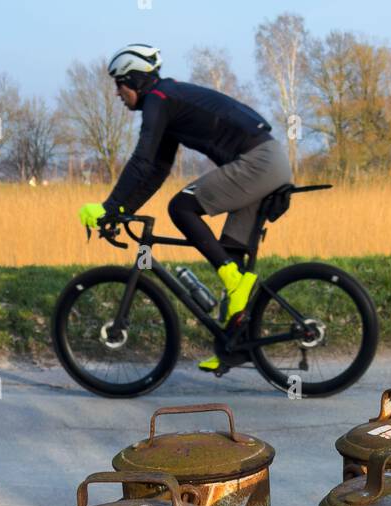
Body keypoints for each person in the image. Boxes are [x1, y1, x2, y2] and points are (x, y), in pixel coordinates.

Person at [79, 44, 292, 373]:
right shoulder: (168, 101)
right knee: (230, 254)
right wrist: (122, 211)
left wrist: (108, 208)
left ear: (134, 80)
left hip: (258, 161)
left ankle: (235, 281)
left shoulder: (158, 100)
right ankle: (234, 348)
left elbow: (140, 160)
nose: (117, 93)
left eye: (119, 84)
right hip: (266, 160)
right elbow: (156, 171)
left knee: (181, 207)